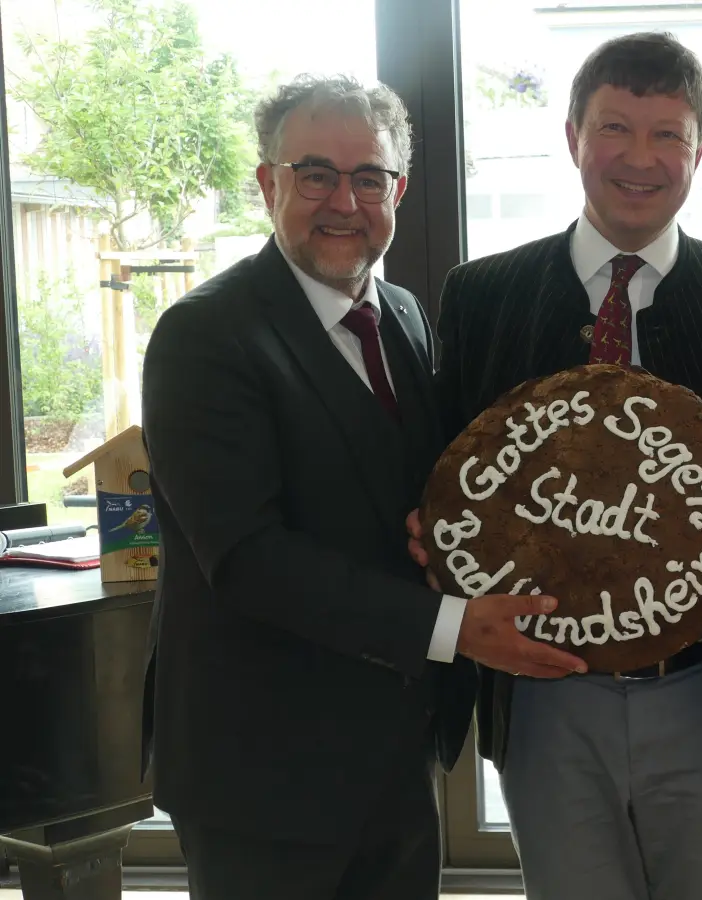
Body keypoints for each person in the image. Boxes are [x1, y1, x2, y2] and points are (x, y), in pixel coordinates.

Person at [406, 32, 702, 900]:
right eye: (614, 129)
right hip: (543, 687)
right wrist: (429, 531)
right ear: (572, 138)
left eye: (668, 134)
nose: (640, 158)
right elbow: (447, 461)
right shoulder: (482, 296)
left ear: (700, 149)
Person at [141, 74, 578, 899]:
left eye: (369, 177)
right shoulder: (204, 336)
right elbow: (247, 558)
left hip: (397, 760)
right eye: (315, 174)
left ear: (397, 192)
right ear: (268, 184)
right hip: (260, 777)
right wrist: (456, 626)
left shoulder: (405, 314)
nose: (344, 202)